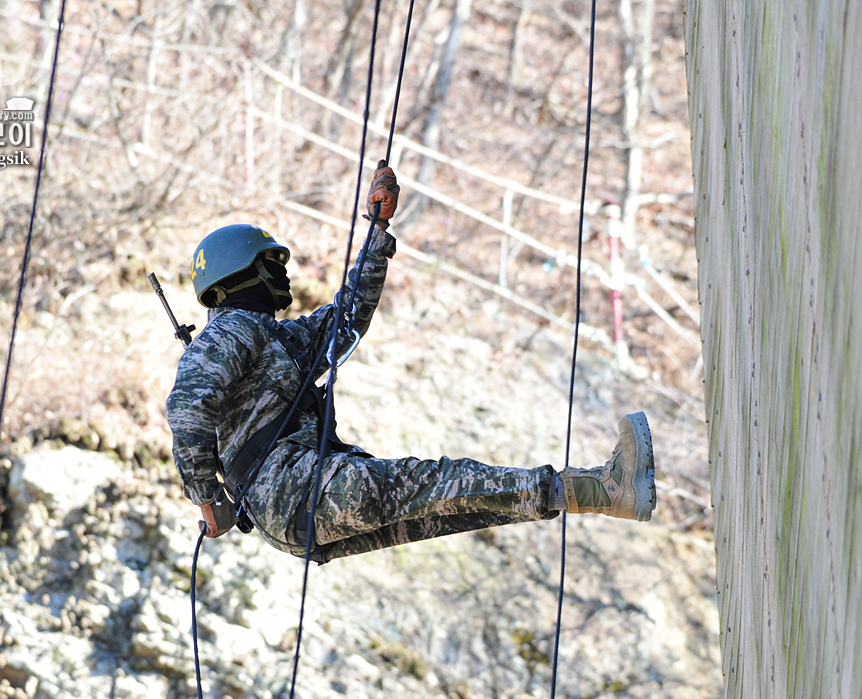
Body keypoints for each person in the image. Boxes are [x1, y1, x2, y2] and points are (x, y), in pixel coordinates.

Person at [165, 163, 656, 563]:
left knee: (454, 504)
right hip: (292, 491)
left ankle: (604, 493)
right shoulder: (233, 328)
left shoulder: (278, 342)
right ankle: (603, 487)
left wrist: (378, 231)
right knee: (442, 483)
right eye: (273, 264)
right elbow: (187, 408)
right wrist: (207, 502)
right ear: (240, 275)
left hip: (293, 511)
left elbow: (349, 313)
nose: (285, 273)